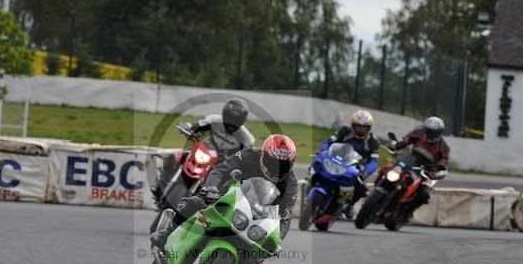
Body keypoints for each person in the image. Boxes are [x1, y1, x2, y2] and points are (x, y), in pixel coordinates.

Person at [150, 134, 299, 248]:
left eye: (283, 165)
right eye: (273, 162)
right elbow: (221, 171)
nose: (277, 168)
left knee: (259, 251)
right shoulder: (248, 155)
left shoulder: (291, 182)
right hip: (227, 196)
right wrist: (211, 188)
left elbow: (286, 214)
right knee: (195, 202)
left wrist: (277, 239)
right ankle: (167, 232)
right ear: (263, 155)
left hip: (257, 215)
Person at [151, 98, 255, 202]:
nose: (231, 124)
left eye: (235, 121)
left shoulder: (246, 137)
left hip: (223, 162)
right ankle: (160, 186)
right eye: (229, 119)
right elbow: (197, 126)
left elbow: (246, 155)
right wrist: (189, 127)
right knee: (174, 157)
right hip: (205, 151)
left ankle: (212, 203)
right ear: (224, 115)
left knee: (227, 181)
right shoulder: (214, 120)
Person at [318, 110, 380, 217]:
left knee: (362, 190)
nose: (360, 130)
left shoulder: (373, 141)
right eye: (358, 126)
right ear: (352, 125)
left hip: (355, 168)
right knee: (317, 164)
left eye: (363, 127)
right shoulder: (344, 131)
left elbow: (374, 161)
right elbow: (328, 142)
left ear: (368, 128)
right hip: (336, 160)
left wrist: (365, 172)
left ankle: (349, 205)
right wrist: (324, 150)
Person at [388, 116, 450, 215]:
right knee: (392, 170)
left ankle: (408, 212)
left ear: (439, 132)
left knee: (424, 194)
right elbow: (406, 140)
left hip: (429, 170)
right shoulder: (419, 132)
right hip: (412, 161)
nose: (431, 134)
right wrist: (397, 145)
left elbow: (444, 160)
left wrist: (437, 167)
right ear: (425, 128)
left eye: (434, 132)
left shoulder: (444, 146)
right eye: (429, 131)